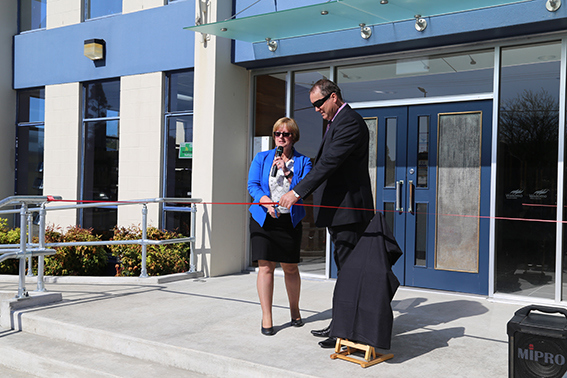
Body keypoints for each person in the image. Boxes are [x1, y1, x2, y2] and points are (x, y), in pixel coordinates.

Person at [279, 79, 374, 348]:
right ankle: (340, 325)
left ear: (333, 97)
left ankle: (344, 331)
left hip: (349, 212)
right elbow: (322, 163)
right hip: (339, 213)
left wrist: (297, 192)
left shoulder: (350, 122)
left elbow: (330, 163)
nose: (316, 110)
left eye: (319, 104)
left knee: (349, 272)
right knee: (344, 270)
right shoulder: (336, 122)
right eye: (313, 106)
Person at [248, 117, 313, 336]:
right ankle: (267, 316)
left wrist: (286, 171)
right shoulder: (261, 157)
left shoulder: (304, 162)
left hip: (289, 221)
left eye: (285, 134)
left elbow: (304, 188)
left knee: (290, 267)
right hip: (264, 219)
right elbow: (253, 185)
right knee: (265, 266)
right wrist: (265, 201)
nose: (281, 138)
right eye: (277, 134)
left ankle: (294, 310)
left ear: (293, 137)